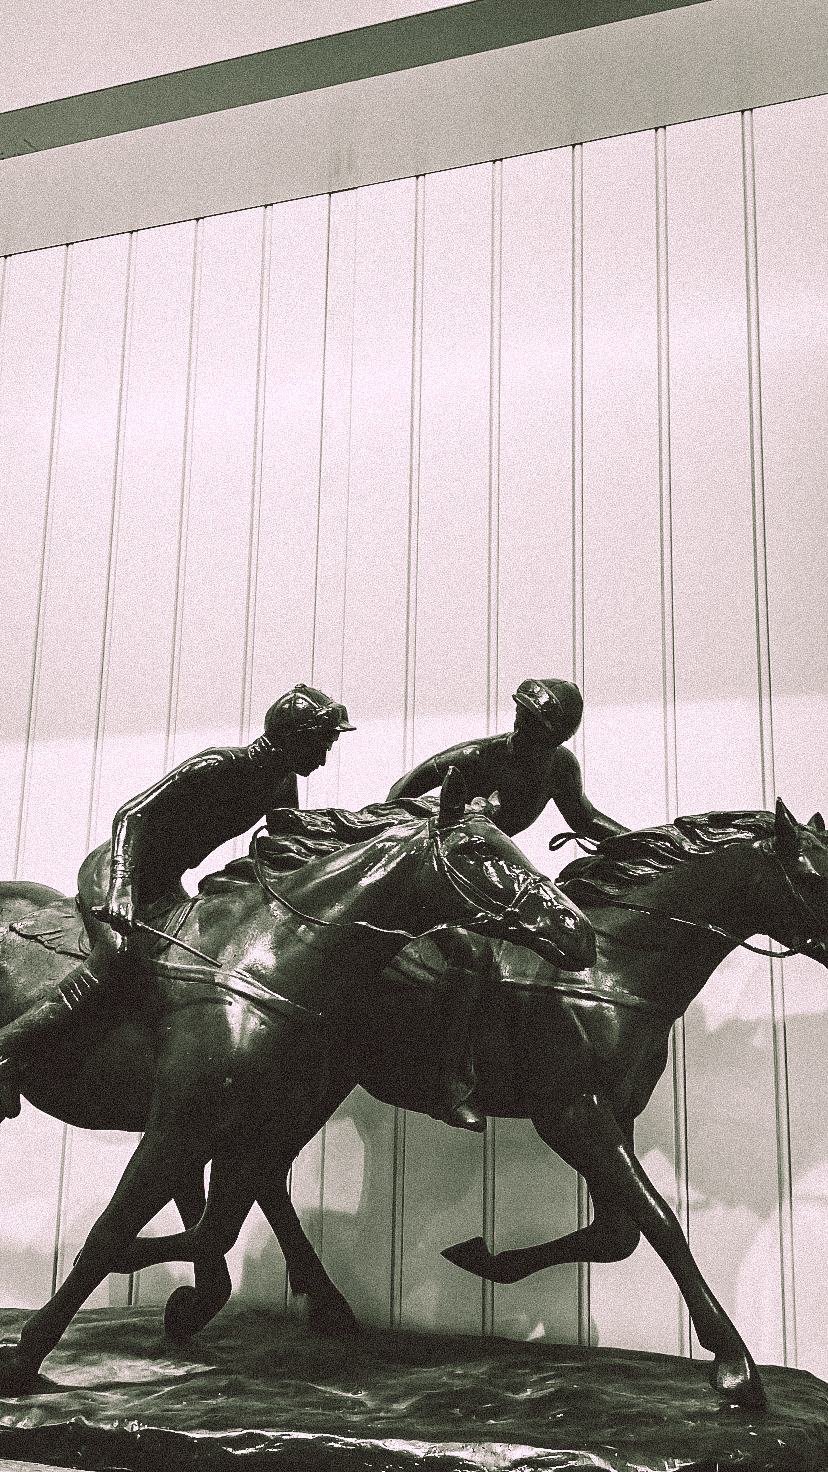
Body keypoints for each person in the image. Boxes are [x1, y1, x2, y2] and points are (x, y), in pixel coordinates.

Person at [0, 684, 355, 1120]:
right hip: (118, 869)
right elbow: (131, 814)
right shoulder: (221, 765)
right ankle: (8, 1051)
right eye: (322, 744)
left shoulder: (281, 782)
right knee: (116, 955)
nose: (323, 758)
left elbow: (287, 839)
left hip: (164, 884)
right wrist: (121, 888)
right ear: (296, 737)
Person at [386, 678, 627, 1132]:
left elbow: (584, 817)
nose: (521, 728)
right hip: (446, 863)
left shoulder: (559, 766)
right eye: (521, 717)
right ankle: (448, 1080)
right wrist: (451, 820)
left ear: (556, 736)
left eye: (534, 724)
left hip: (486, 867)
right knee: (472, 952)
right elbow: (401, 793)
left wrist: (639, 843)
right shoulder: (479, 757)